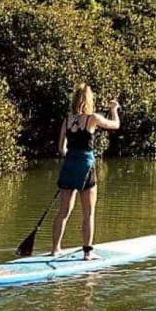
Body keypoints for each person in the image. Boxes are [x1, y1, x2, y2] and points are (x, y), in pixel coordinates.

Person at [49, 84, 121, 258]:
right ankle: (87, 253)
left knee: (64, 211)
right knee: (88, 213)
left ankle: (55, 249)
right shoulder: (92, 118)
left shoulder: (67, 120)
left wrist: (71, 156)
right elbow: (115, 125)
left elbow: (61, 148)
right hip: (85, 167)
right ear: (89, 100)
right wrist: (114, 109)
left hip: (69, 166)